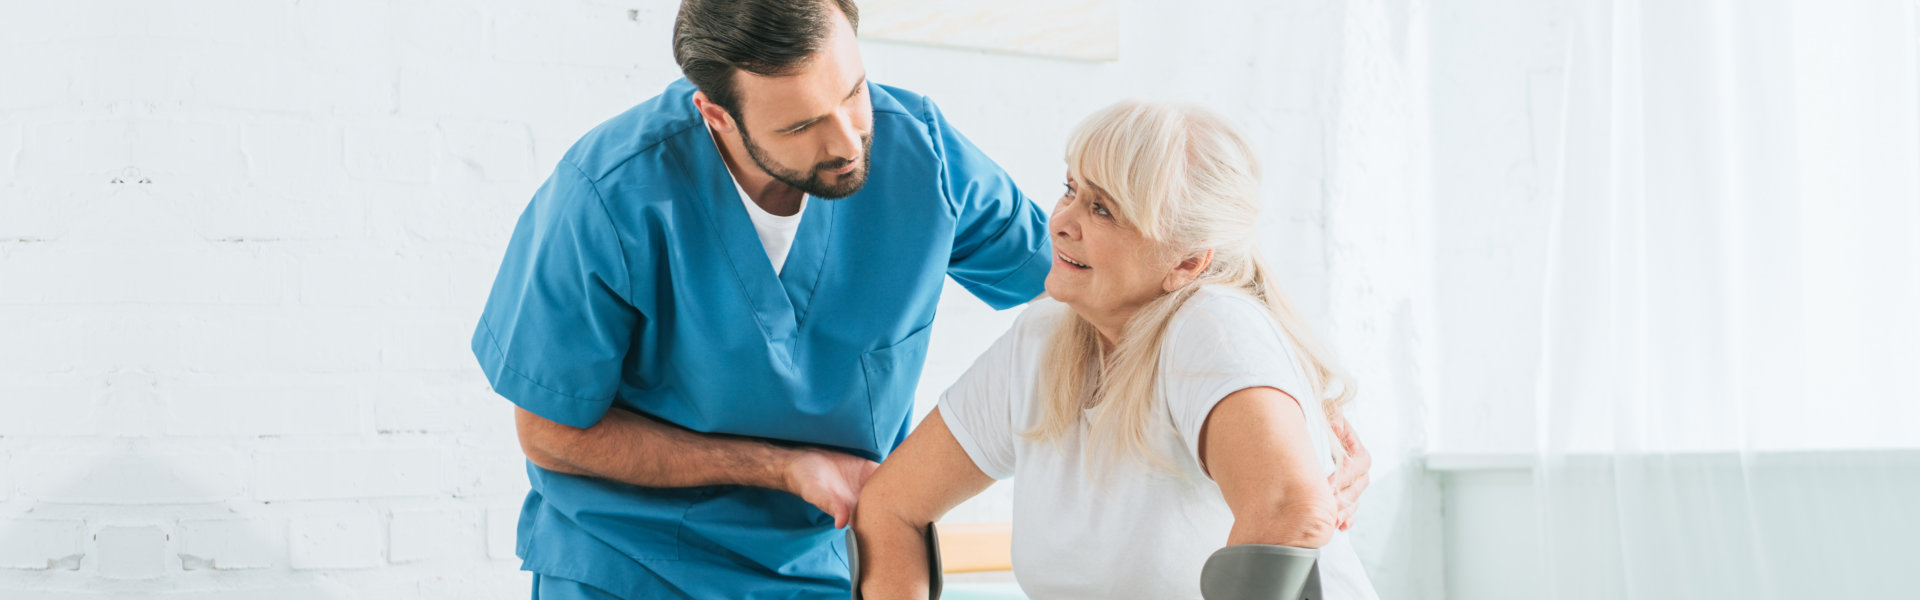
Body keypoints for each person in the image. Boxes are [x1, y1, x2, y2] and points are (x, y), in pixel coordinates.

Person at [471, 0, 1374, 597]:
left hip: (821, 562)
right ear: (717, 117)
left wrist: (1293, 392)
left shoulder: (916, 152)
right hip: (634, 569)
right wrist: (784, 468)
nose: (850, 136)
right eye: (800, 124)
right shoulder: (610, 197)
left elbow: (1110, 270)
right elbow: (551, 429)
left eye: (854, 90)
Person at [851, 101, 1381, 599]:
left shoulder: (1211, 327)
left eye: (1102, 209)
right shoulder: (1041, 340)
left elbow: (1293, 510)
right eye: (1071, 189)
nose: (1060, 221)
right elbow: (890, 506)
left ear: (1187, 264)